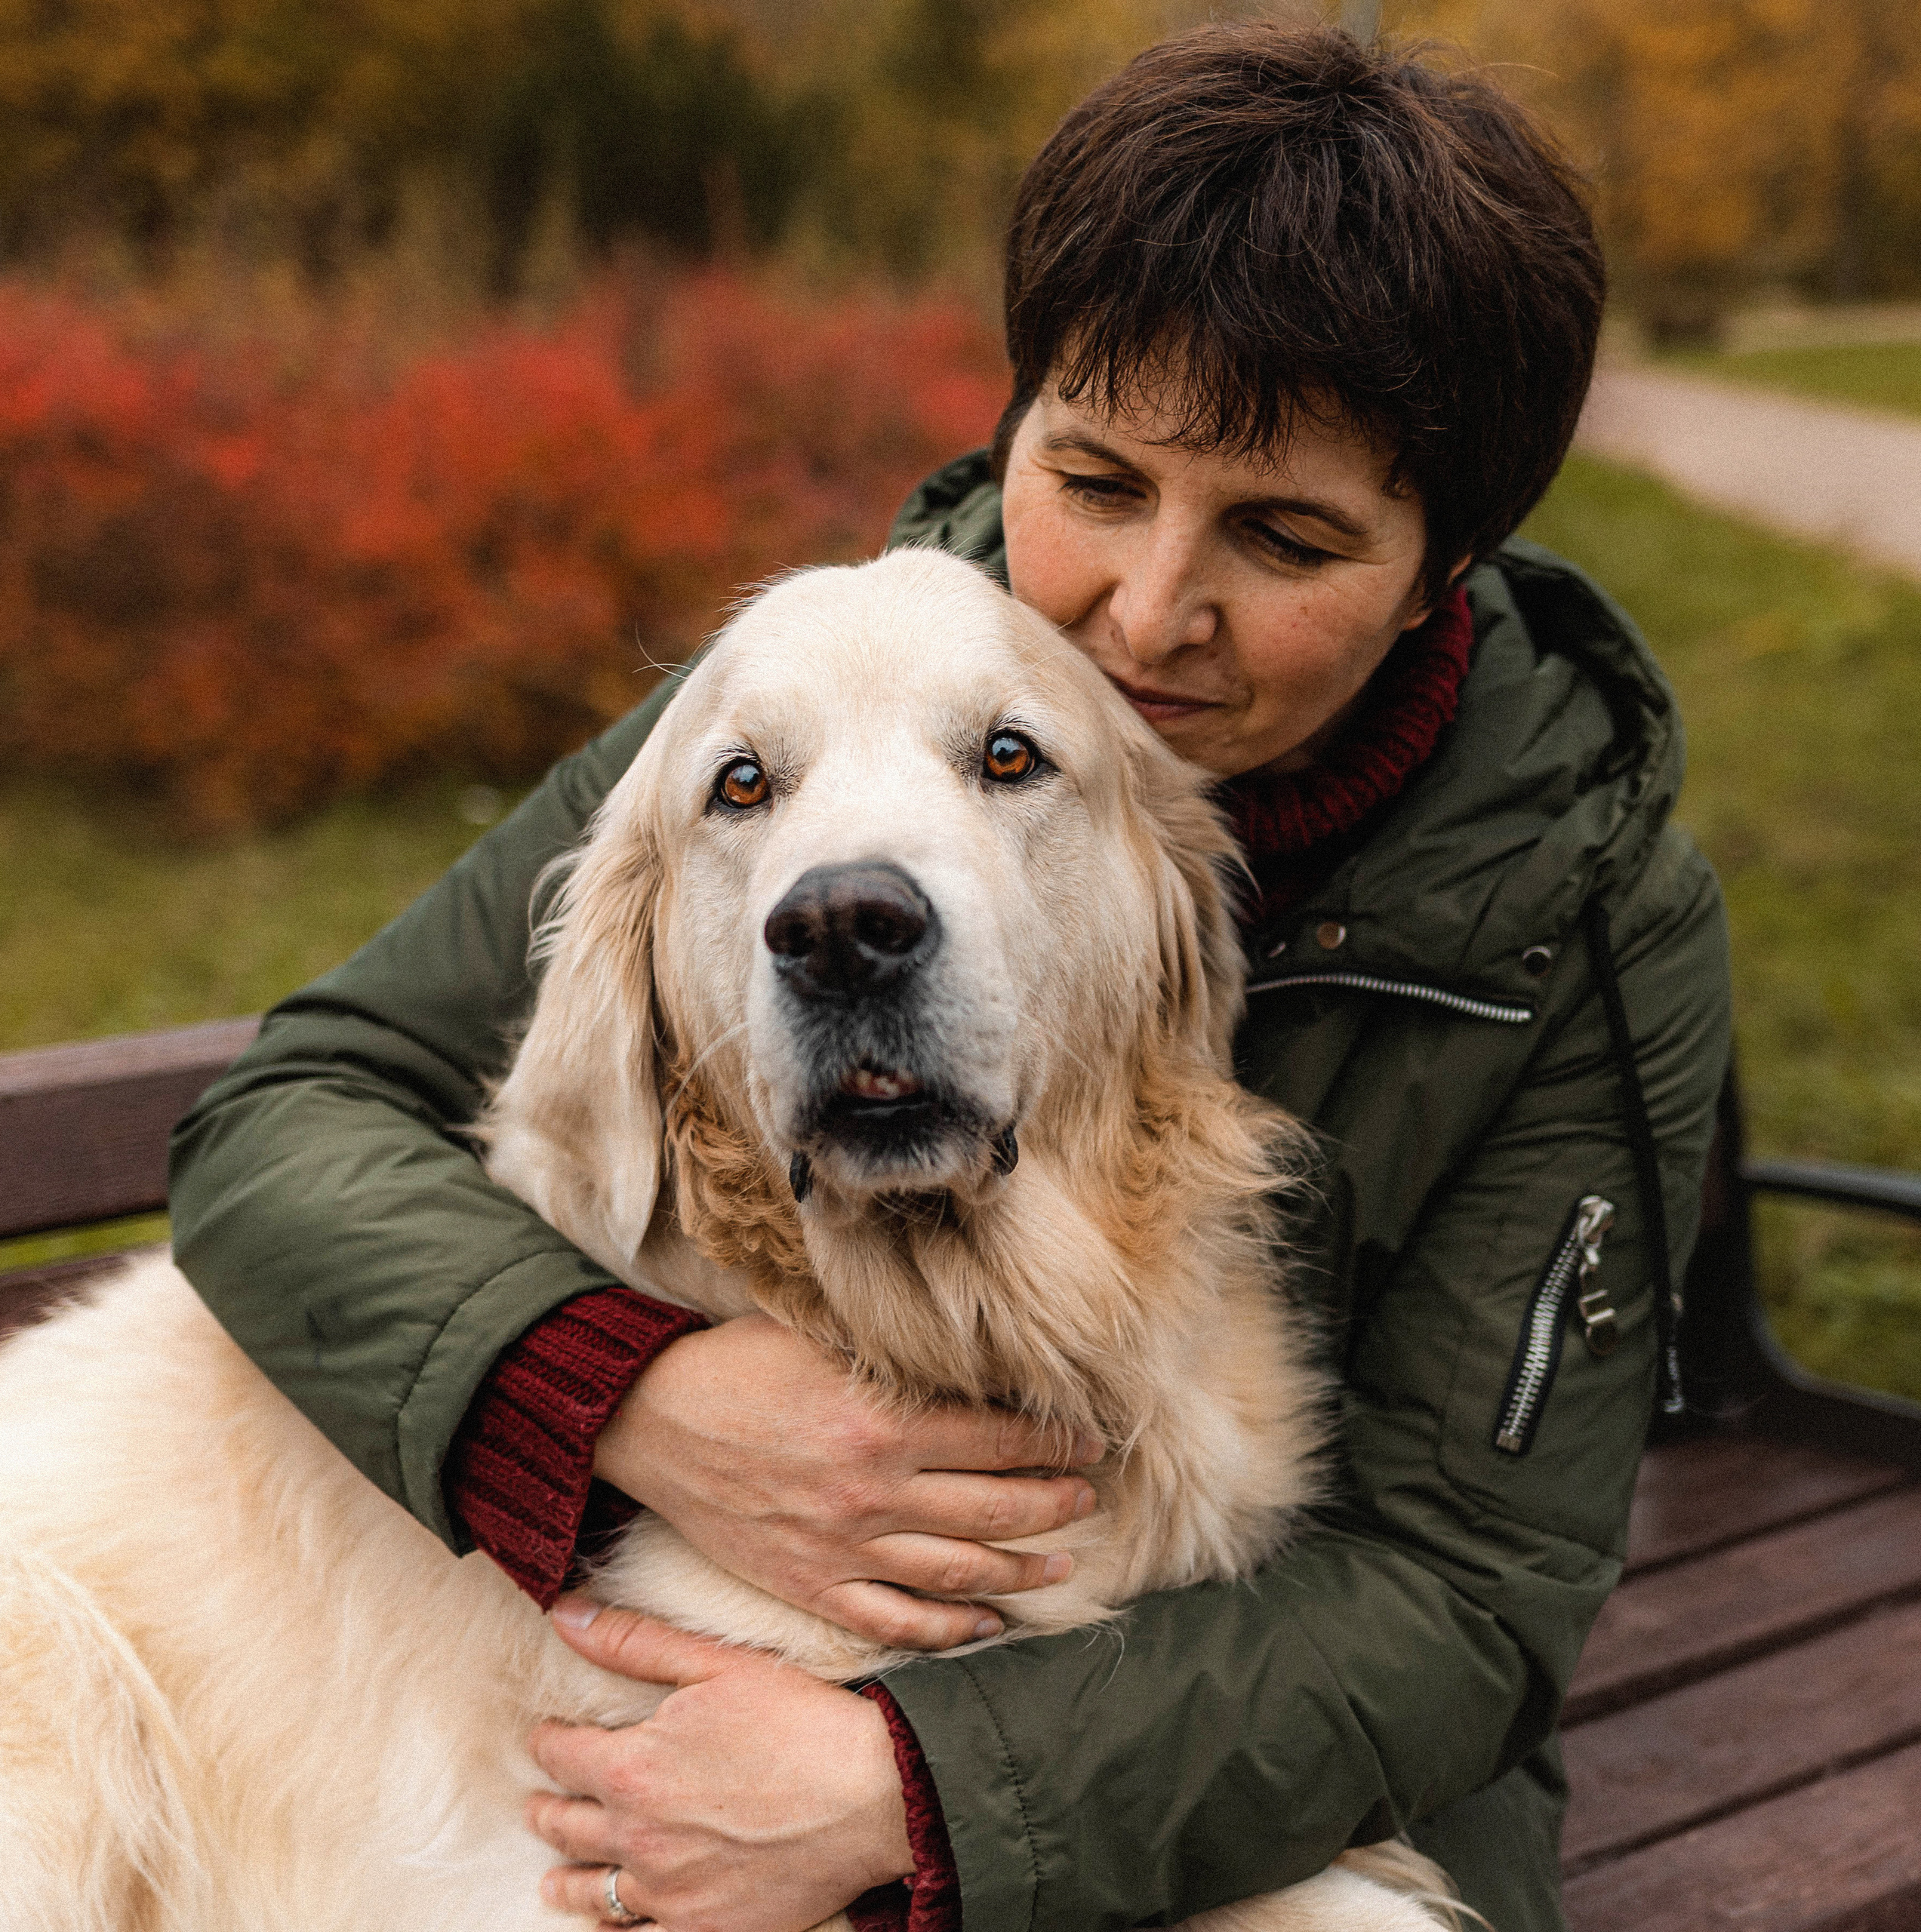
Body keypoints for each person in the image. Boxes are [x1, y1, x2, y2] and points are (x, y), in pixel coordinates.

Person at [168, 23, 1732, 1932]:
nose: (1145, 615)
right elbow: (290, 1113)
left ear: (1444, 565)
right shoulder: (803, 710)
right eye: (1092, 478)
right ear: (1014, 425)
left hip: (1286, 1746)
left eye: (1285, 535)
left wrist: (912, 1790)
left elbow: (1465, 1595)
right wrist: (627, 1393)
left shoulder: (1573, 906)